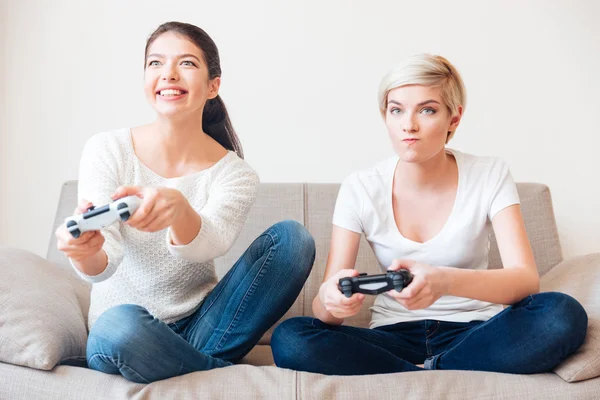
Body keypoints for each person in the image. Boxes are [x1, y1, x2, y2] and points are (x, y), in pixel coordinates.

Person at [271, 53, 587, 376]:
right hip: (391, 336)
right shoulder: (360, 187)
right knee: (290, 338)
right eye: (396, 110)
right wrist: (331, 300)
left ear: (454, 119)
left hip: (476, 333)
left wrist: (443, 281)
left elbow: (524, 280)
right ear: (386, 117)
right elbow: (325, 311)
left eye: (427, 110)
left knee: (563, 314)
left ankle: (420, 370)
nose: (408, 124)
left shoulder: (490, 173)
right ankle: (434, 370)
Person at [55, 21, 315, 383]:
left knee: (293, 239)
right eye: (155, 63)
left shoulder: (234, 173)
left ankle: (183, 366)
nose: (169, 75)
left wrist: (179, 210)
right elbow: (105, 261)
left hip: (205, 328)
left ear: (213, 85)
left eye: (187, 63)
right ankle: (225, 378)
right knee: (118, 324)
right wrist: (84, 252)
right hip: (126, 333)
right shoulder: (107, 149)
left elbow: (211, 243)